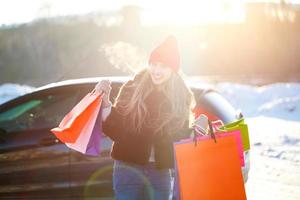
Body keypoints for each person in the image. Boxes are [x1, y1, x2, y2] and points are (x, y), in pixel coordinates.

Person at [95, 35, 196, 200]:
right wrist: (105, 102)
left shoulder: (180, 97)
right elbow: (116, 131)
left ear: (173, 70)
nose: (156, 70)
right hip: (127, 169)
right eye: (154, 64)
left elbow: (180, 137)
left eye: (163, 66)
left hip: (160, 172)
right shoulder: (133, 88)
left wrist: (194, 129)